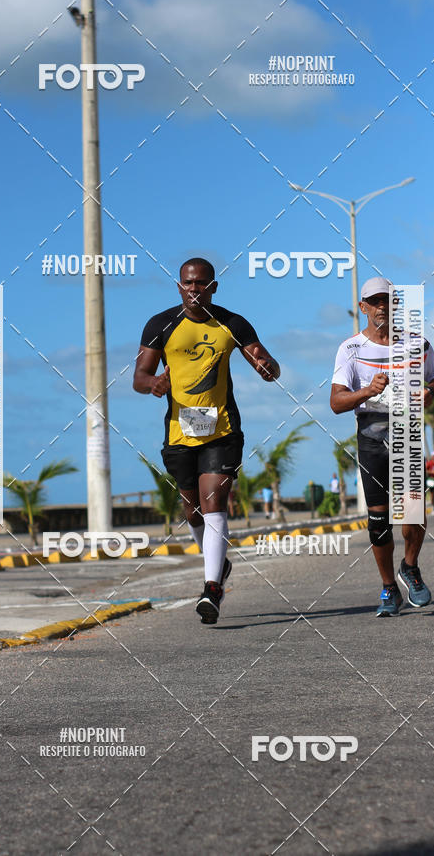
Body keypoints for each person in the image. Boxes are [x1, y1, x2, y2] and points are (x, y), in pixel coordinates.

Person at [133, 257, 280, 624]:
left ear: (213, 287)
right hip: (179, 430)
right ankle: (219, 564)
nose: (193, 289)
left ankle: (212, 587)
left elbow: (266, 363)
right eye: (186, 283)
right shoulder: (160, 324)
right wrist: (154, 385)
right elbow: (139, 376)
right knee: (191, 509)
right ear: (179, 286)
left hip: (222, 429)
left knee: (214, 501)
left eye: (200, 283)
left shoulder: (231, 323)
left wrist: (267, 369)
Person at [330, 277, 434, 616]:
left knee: (414, 514)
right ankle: (388, 588)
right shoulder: (350, 349)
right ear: (363, 307)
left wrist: (430, 393)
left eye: (388, 300)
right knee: (379, 522)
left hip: (406, 434)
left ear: (396, 306)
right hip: (371, 437)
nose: (382, 306)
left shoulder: (416, 344)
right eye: (375, 301)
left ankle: (409, 566)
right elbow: (336, 402)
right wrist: (366, 390)